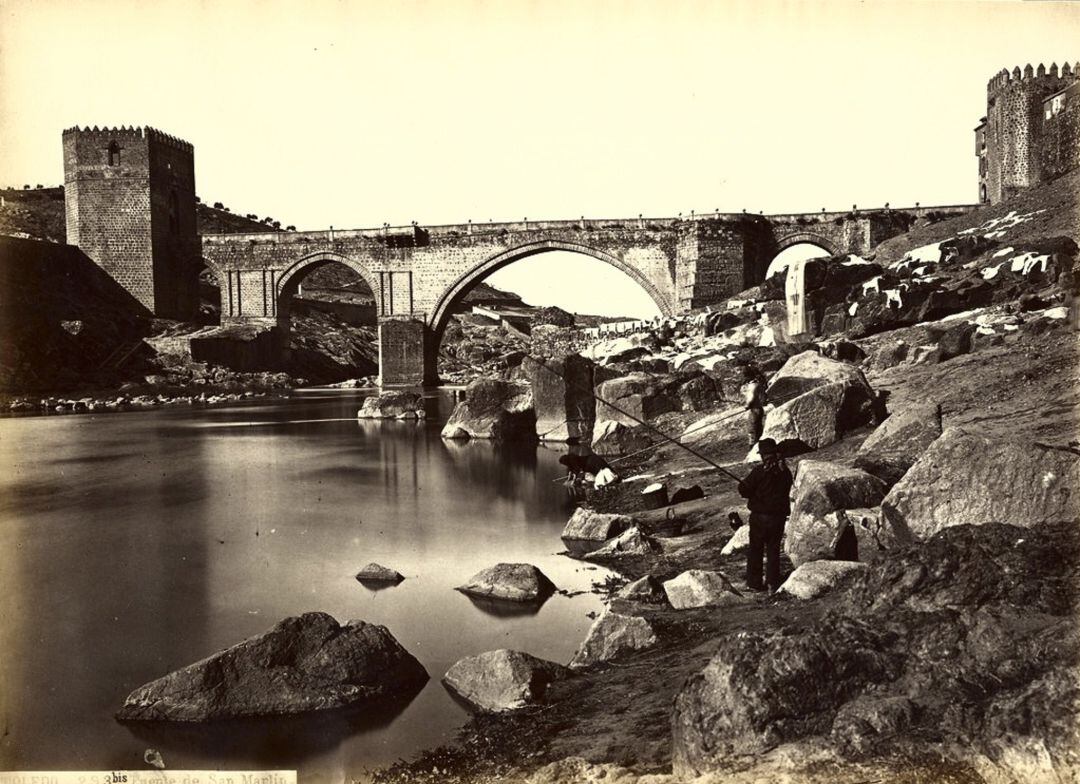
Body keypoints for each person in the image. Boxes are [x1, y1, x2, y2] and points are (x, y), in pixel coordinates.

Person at [736, 438, 793, 593]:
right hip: (778, 518)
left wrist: (746, 487)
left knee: (755, 550)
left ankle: (754, 583)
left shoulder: (759, 471)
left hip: (760, 518)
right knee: (773, 550)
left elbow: (743, 490)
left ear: (763, 455)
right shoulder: (785, 472)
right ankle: (772, 583)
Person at [741, 364, 766, 448]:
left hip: (754, 409)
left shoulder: (752, 386)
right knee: (758, 428)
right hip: (760, 409)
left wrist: (747, 406)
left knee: (752, 428)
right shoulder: (758, 383)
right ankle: (759, 444)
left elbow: (751, 398)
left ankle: (752, 446)